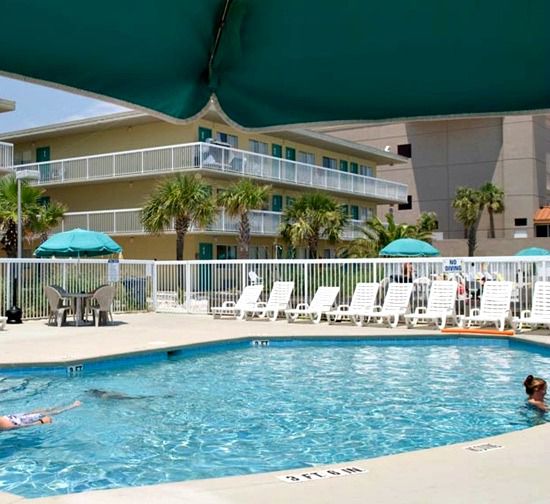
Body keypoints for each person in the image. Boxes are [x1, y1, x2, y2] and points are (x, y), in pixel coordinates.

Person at [0, 400, 81, 431]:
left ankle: (70, 404)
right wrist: (41, 422)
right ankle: (72, 406)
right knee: (46, 413)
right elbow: (21, 427)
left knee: (45, 410)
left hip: (13, 417)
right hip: (18, 421)